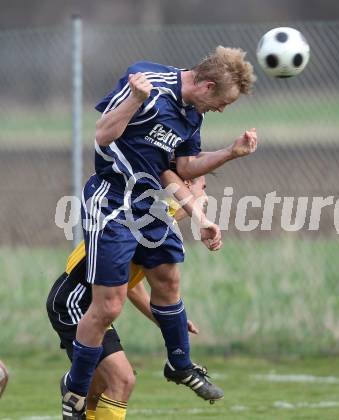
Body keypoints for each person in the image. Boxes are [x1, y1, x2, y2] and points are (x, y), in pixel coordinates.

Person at [61, 46, 257, 419]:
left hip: (149, 202)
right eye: (222, 102)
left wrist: (231, 151)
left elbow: (185, 166)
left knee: (168, 277)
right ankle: (74, 392)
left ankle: (179, 364)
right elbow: (103, 135)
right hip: (113, 198)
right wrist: (136, 99)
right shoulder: (148, 81)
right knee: (109, 306)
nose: (221, 110)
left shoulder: (191, 115)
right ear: (207, 85)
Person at [49, 174, 206, 420]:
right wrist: (198, 208)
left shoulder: (155, 228)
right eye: (201, 187)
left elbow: (131, 287)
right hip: (74, 301)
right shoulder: (148, 217)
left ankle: (75, 385)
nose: (205, 196)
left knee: (103, 384)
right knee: (121, 379)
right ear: (184, 187)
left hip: (92, 306)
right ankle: (73, 383)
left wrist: (164, 319)